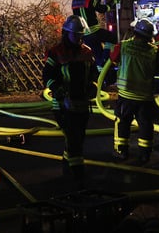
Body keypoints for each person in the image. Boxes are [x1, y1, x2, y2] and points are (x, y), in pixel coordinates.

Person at [43, 15, 98, 188]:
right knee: (73, 137)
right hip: (62, 105)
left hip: (82, 103)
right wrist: (59, 92)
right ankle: (78, 175)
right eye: (76, 35)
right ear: (66, 33)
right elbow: (47, 77)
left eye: (81, 35)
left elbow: (94, 74)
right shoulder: (56, 52)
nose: (79, 38)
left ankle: (68, 165)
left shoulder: (87, 52)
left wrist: (94, 87)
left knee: (78, 137)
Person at [107, 18, 159, 164]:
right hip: (145, 97)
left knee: (122, 122)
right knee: (145, 124)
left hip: (126, 95)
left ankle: (121, 151)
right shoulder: (154, 51)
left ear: (135, 32)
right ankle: (145, 154)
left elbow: (113, 59)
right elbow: (158, 69)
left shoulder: (123, 46)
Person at [72, 0, 116, 74]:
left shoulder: (74, 2)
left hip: (85, 36)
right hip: (95, 31)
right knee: (112, 38)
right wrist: (113, 2)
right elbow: (103, 9)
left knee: (98, 56)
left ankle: (102, 77)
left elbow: (91, 3)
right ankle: (106, 58)